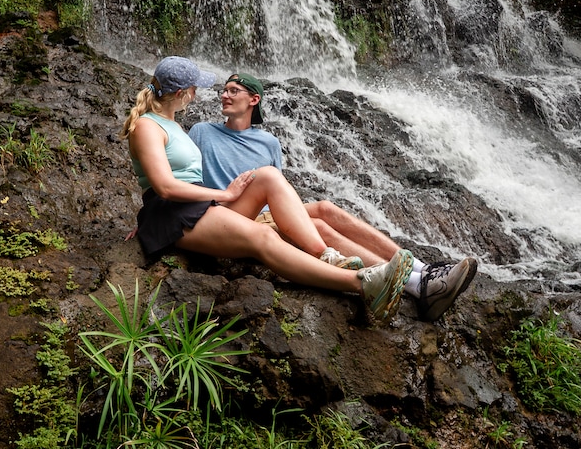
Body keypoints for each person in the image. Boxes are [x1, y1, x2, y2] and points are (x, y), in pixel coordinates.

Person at [123, 56, 413, 325]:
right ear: (181, 93)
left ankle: (328, 256)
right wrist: (221, 196)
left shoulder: (172, 124)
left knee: (269, 176)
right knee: (264, 236)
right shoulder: (147, 126)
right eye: (195, 88)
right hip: (175, 215)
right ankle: (363, 283)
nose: (198, 92)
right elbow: (163, 187)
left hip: (196, 209)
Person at [189, 71, 478, 323]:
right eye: (224, 90)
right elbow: (189, 180)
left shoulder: (269, 142)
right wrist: (221, 198)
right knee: (318, 227)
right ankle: (414, 285)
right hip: (230, 215)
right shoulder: (203, 132)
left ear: (254, 99)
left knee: (325, 208)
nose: (224, 95)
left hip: (265, 213)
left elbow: (278, 192)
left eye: (233, 91)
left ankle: (424, 271)